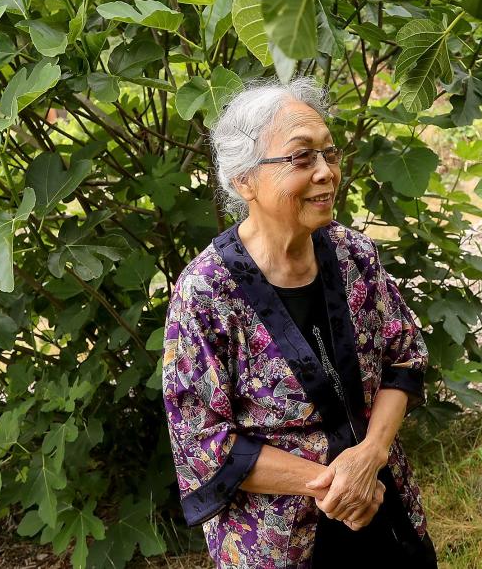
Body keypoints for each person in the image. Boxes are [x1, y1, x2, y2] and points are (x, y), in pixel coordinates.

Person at [162, 77, 438, 568]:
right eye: (301, 157)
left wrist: (371, 454)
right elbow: (205, 441)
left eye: (329, 154)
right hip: (280, 536)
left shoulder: (355, 254)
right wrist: (338, 482)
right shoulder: (205, 292)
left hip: (379, 500)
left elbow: (405, 356)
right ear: (245, 179)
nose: (326, 172)